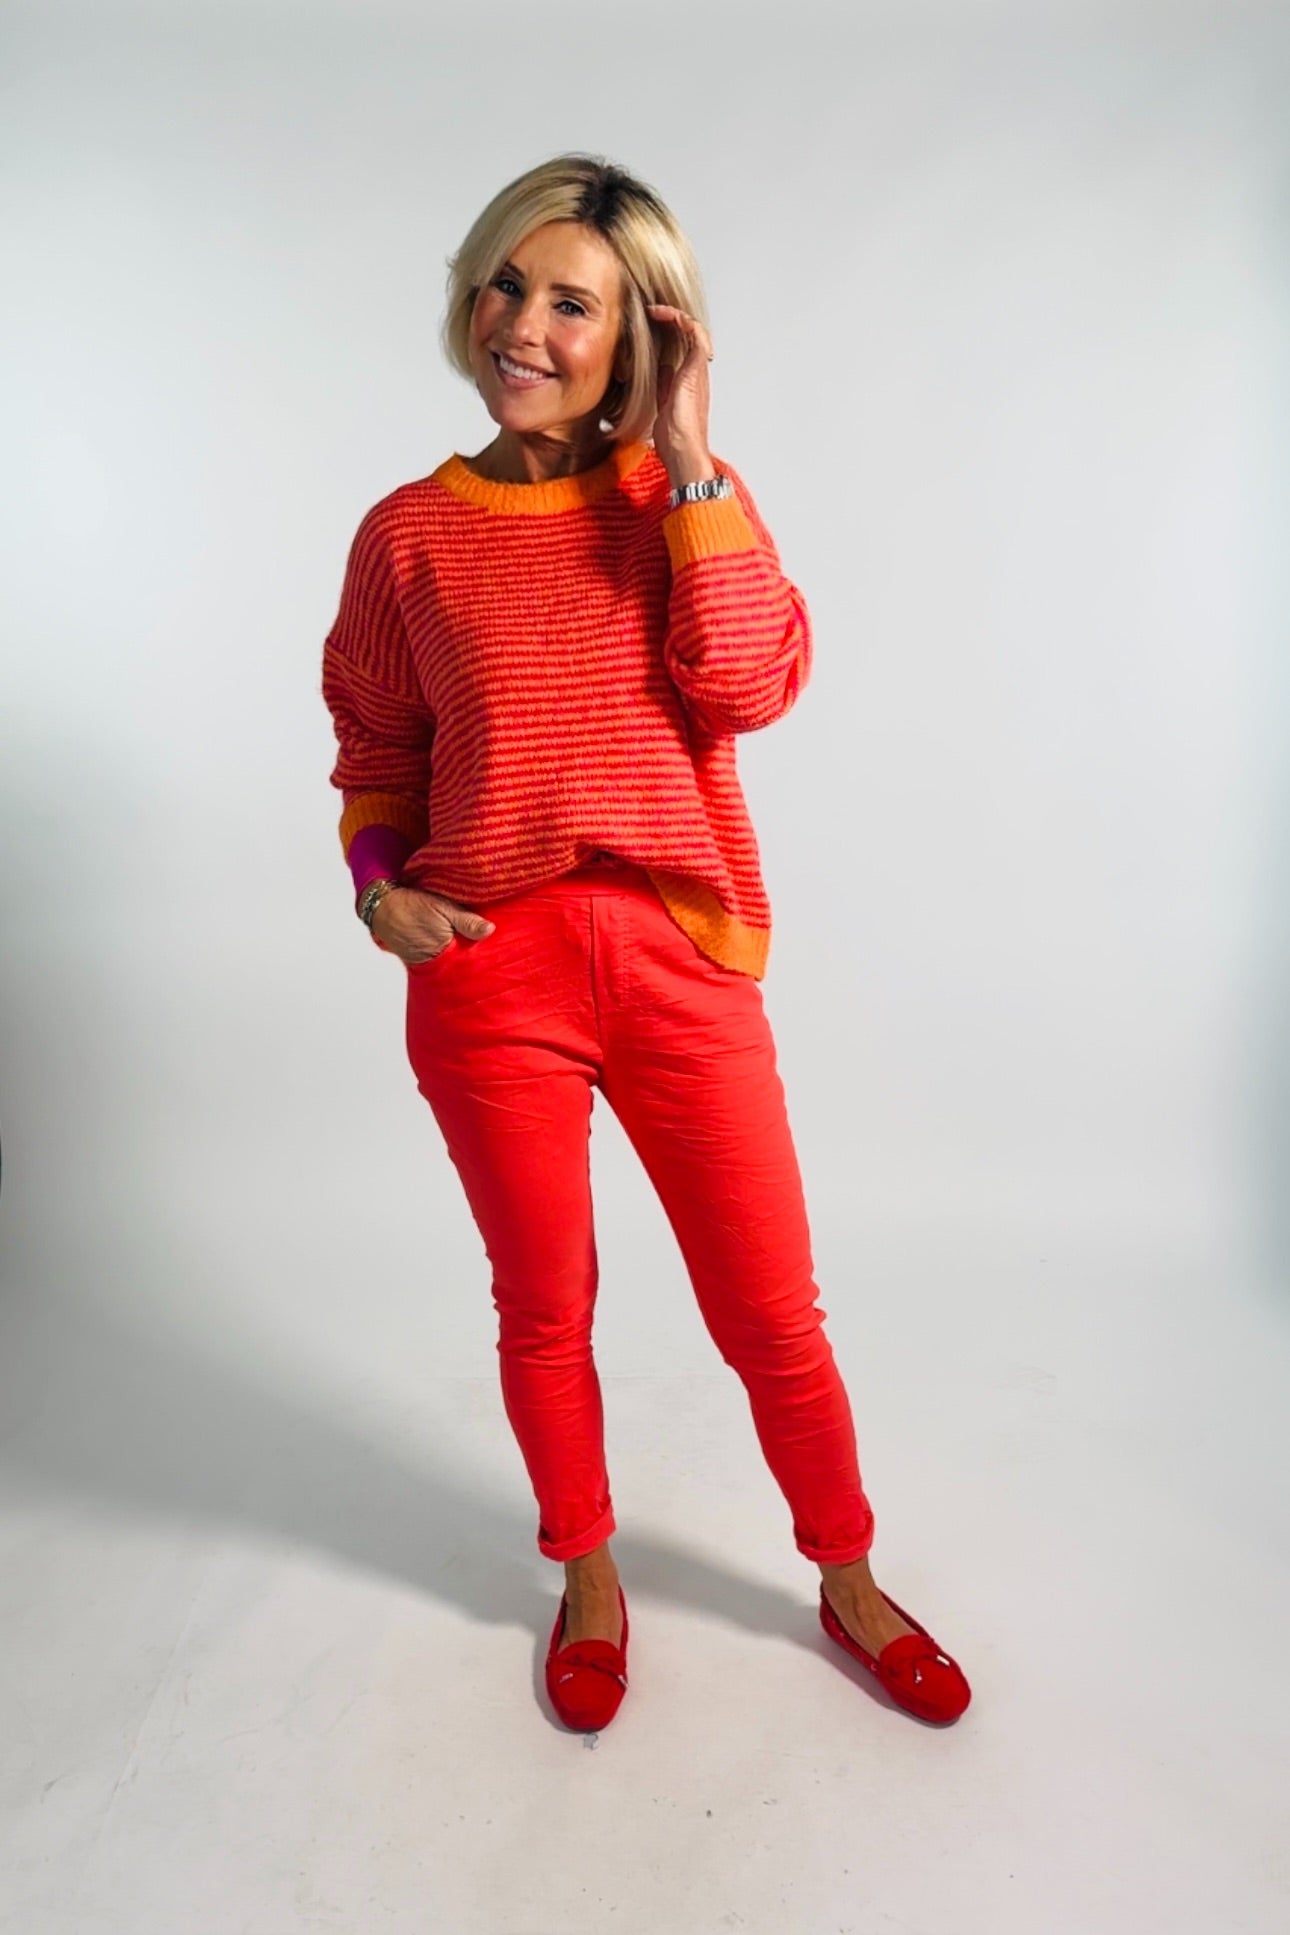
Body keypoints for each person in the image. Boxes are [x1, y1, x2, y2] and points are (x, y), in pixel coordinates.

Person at [320, 153, 970, 1731]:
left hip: (678, 963)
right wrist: (378, 889)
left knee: (770, 1313)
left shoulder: (683, 502)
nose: (522, 326)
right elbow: (375, 752)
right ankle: (588, 1574)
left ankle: (846, 1576)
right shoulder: (409, 535)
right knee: (544, 1308)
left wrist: (683, 462)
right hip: (490, 972)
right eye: (506, 284)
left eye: (572, 303)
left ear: (639, 334)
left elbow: (749, 684)